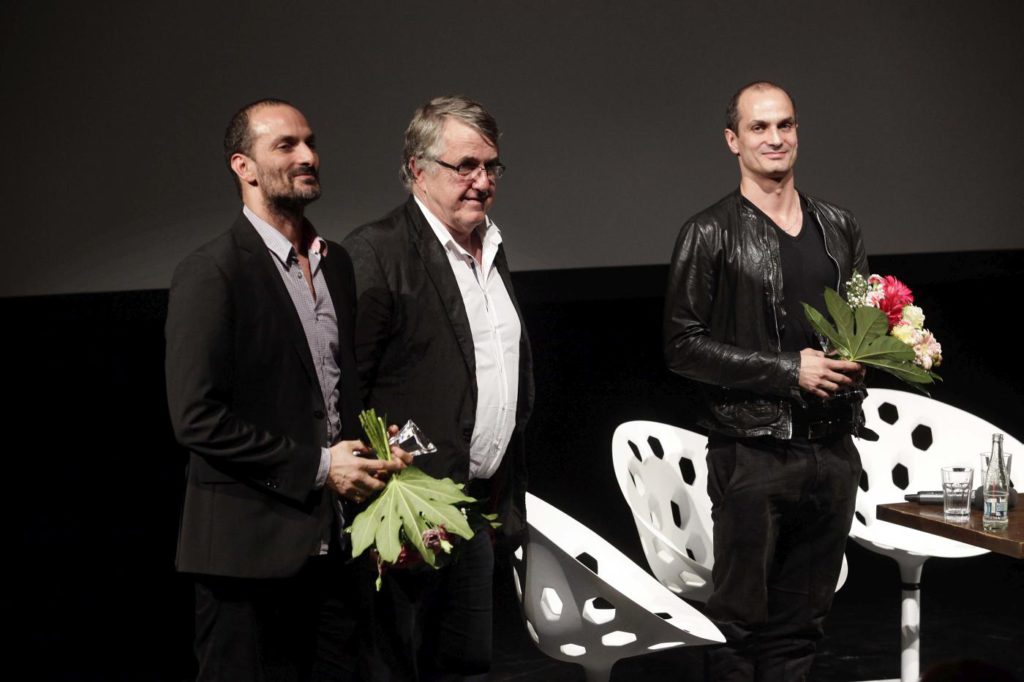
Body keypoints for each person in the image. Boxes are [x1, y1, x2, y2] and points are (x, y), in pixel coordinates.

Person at [165, 98, 407, 681]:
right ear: (243, 167)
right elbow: (196, 419)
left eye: (310, 143)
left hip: (333, 546)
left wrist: (371, 446)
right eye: (286, 146)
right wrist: (322, 467)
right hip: (246, 552)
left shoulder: (337, 264)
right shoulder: (213, 271)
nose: (308, 157)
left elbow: (330, 394)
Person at [663, 81, 869, 681]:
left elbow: (863, 317)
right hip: (752, 452)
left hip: (831, 450)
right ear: (733, 140)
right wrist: (788, 370)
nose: (775, 138)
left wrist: (865, 355)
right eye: (759, 127)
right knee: (737, 626)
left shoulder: (840, 226)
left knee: (803, 624)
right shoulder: (708, 232)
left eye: (785, 125)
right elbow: (681, 346)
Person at [343, 94, 534, 680]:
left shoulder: (491, 248)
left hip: (475, 506)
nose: (482, 181)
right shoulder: (375, 253)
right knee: (399, 666)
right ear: (417, 170)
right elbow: (347, 387)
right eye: (465, 166)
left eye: (491, 166)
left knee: (465, 665)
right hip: (407, 512)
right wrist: (378, 495)